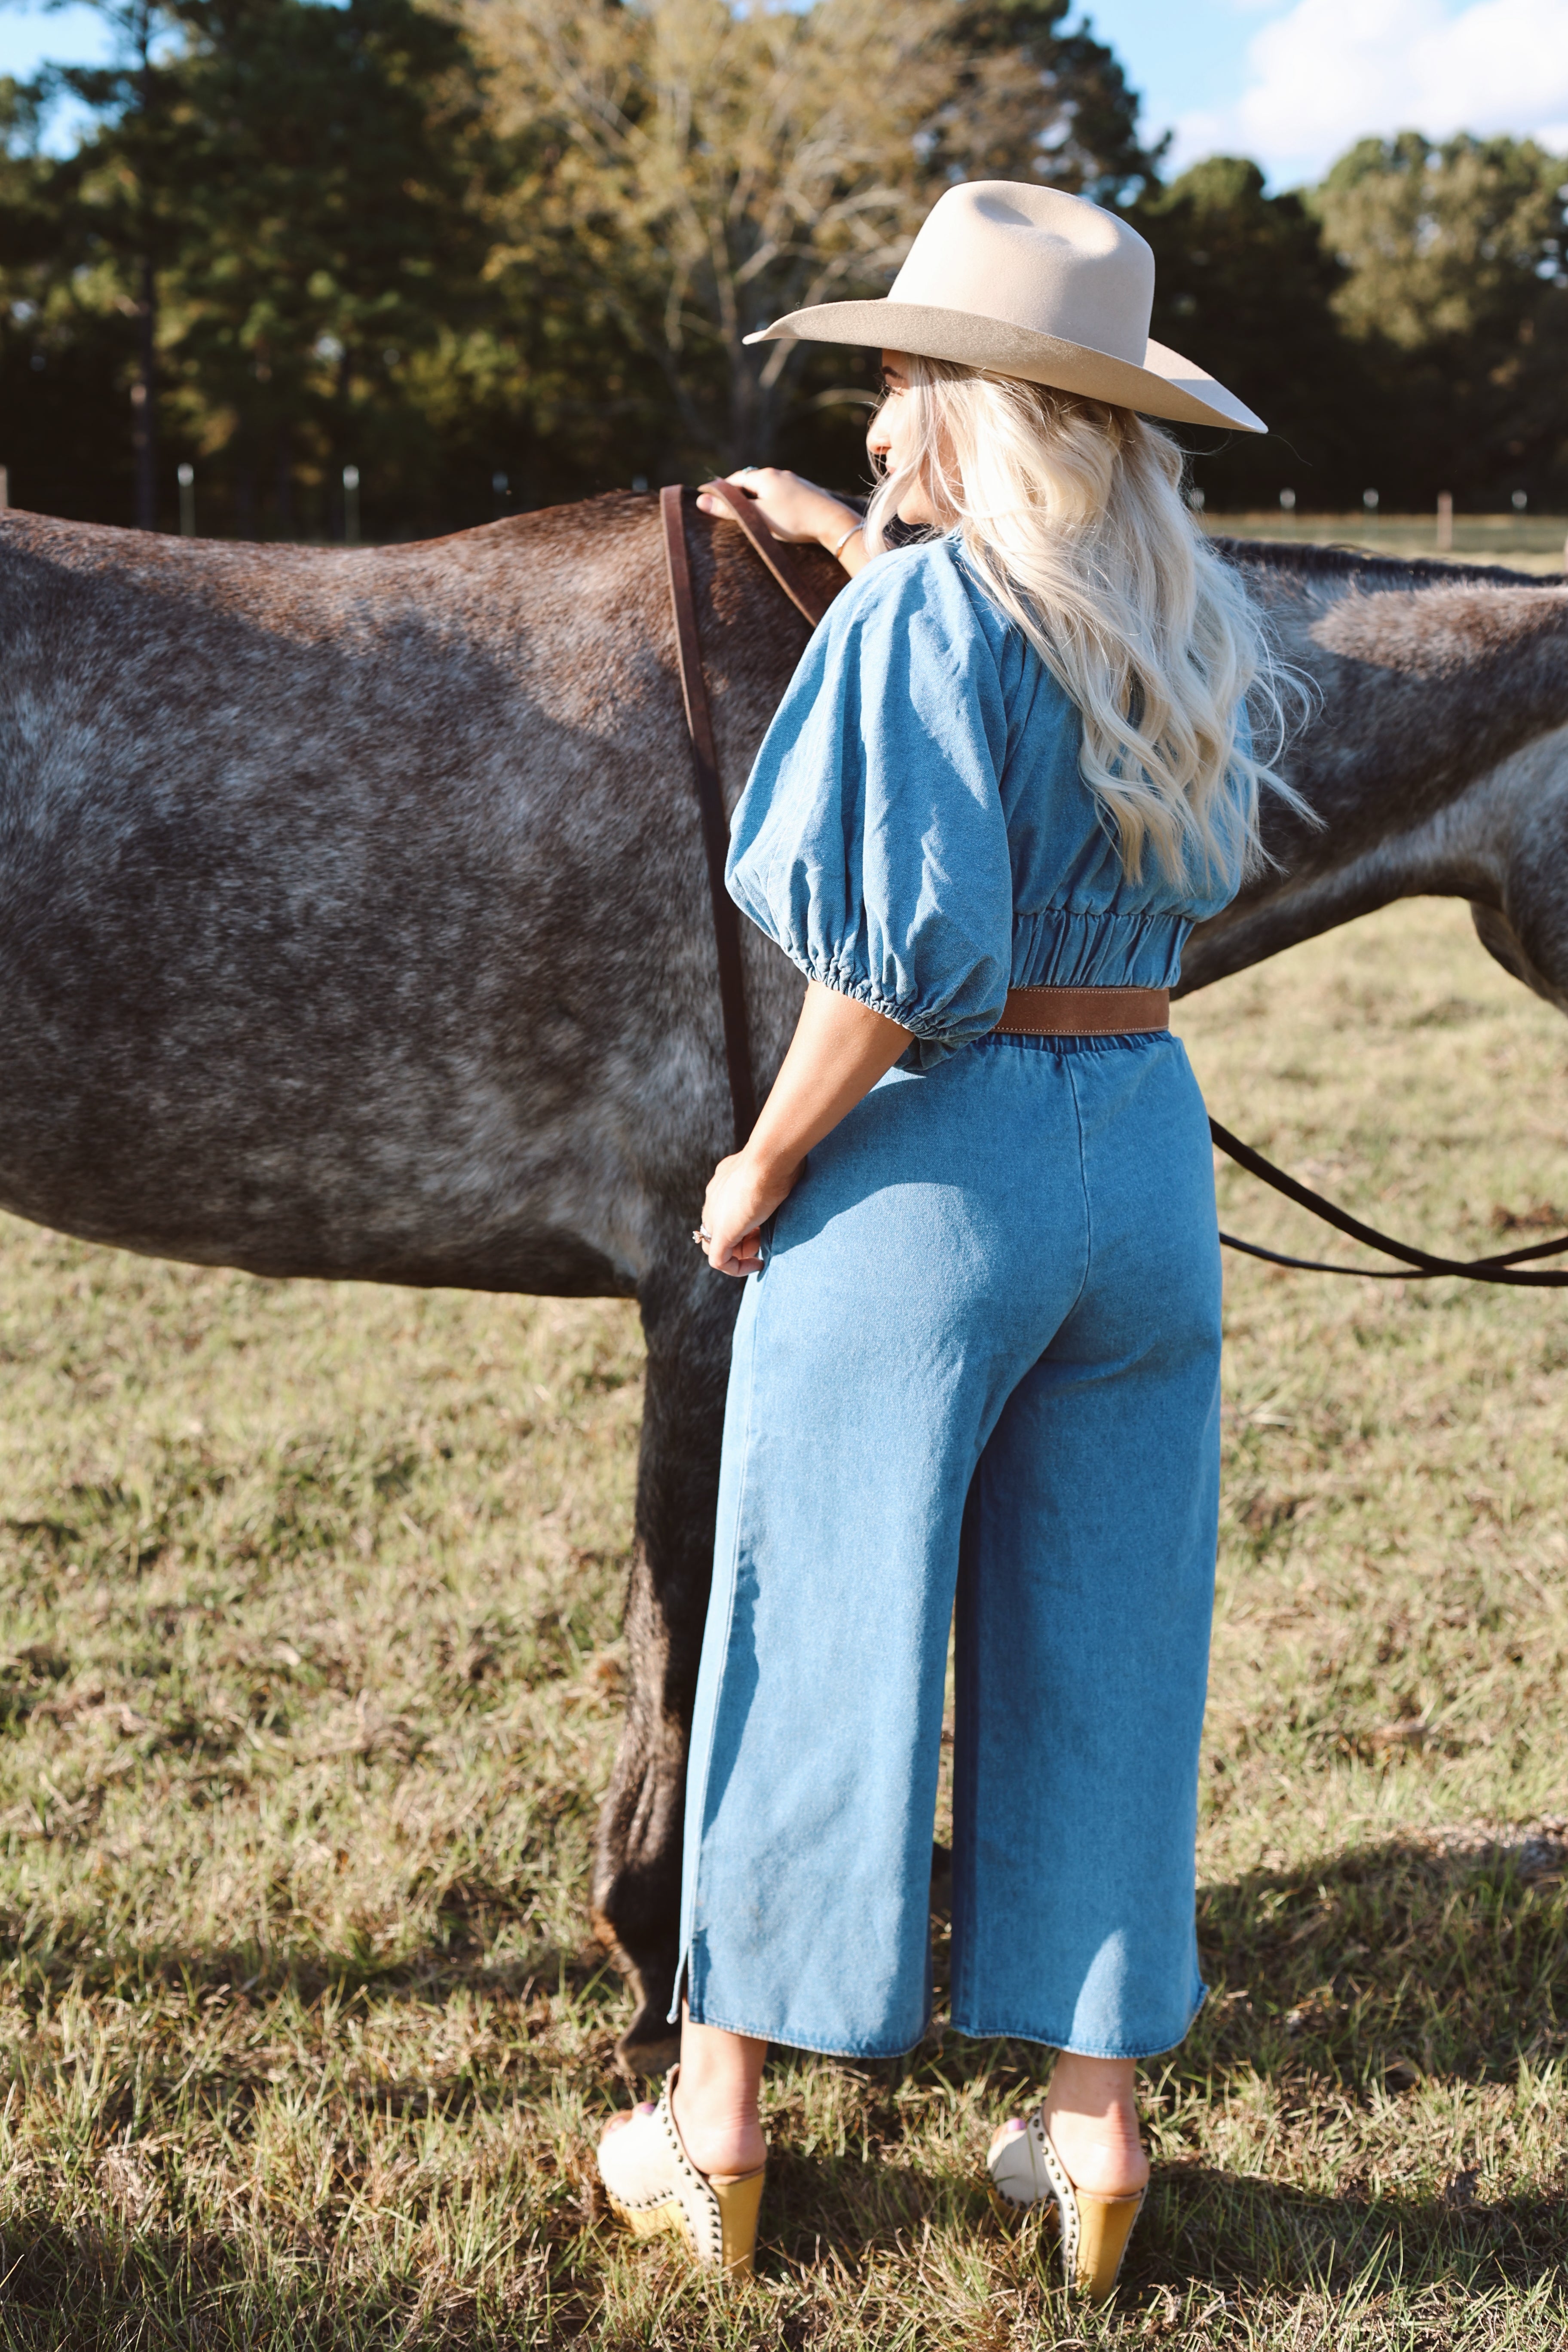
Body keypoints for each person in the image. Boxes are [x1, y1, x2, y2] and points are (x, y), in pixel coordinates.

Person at [596, 178, 1296, 2300]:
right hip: (1146, 1164)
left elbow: (898, 964)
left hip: (940, 1171)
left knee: (814, 1626)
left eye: (903, 371)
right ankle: (1096, 2146)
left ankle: (711, 2121)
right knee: (1111, 1641)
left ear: (965, 399)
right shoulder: (1180, 619)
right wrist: (852, 533)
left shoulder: (922, 625)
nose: (880, 404)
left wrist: (765, 1165)